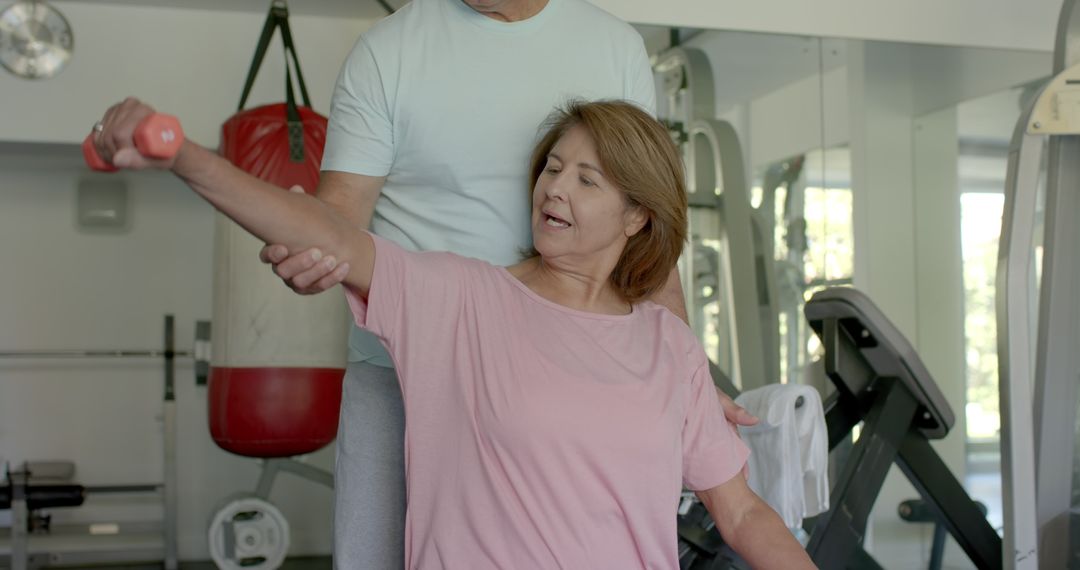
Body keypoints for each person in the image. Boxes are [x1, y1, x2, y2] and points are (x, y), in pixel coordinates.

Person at [90, 97, 813, 569]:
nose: (556, 188)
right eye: (553, 167)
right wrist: (183, 157)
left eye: (589, 180)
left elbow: (742, 510)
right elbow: (325, 231)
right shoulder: (461, 299)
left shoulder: (669, 345)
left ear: (638, 218)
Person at [249, 0, 756, 566]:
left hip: (564, 375)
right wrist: (311, 247)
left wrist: (679, 375)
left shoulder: (612, 46)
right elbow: (341, 210)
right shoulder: (388, 49)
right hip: (400, 367)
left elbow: (636, 208)